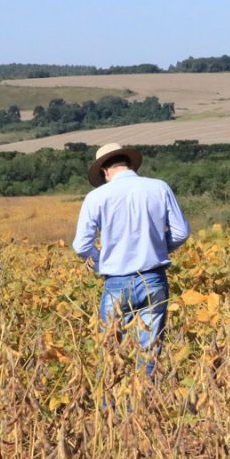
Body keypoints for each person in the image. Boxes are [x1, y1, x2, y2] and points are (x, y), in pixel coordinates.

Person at [72, 142, 190, 378]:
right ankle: (144, 408)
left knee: (111, 352)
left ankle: (110, 411)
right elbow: (180, 233)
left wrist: (100, 259)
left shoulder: (96, 196)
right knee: (149, 352)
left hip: (116, 283)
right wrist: (157, 249)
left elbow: (81, 245)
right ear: (127, 163)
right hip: (154, 278)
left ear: (105, 171)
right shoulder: (159, 187)